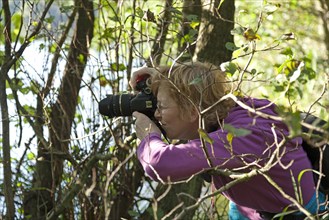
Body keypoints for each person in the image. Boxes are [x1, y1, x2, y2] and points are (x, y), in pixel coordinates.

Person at [131, 61, 327, 219]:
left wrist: (148, 134)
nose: (155, 114)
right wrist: (160, 75)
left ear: (192, 111)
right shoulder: (227, 107)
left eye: (161, 107)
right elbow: (198, 85)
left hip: (297, 213)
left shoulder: (242, 135)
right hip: (247, 207)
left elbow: (159, 164)